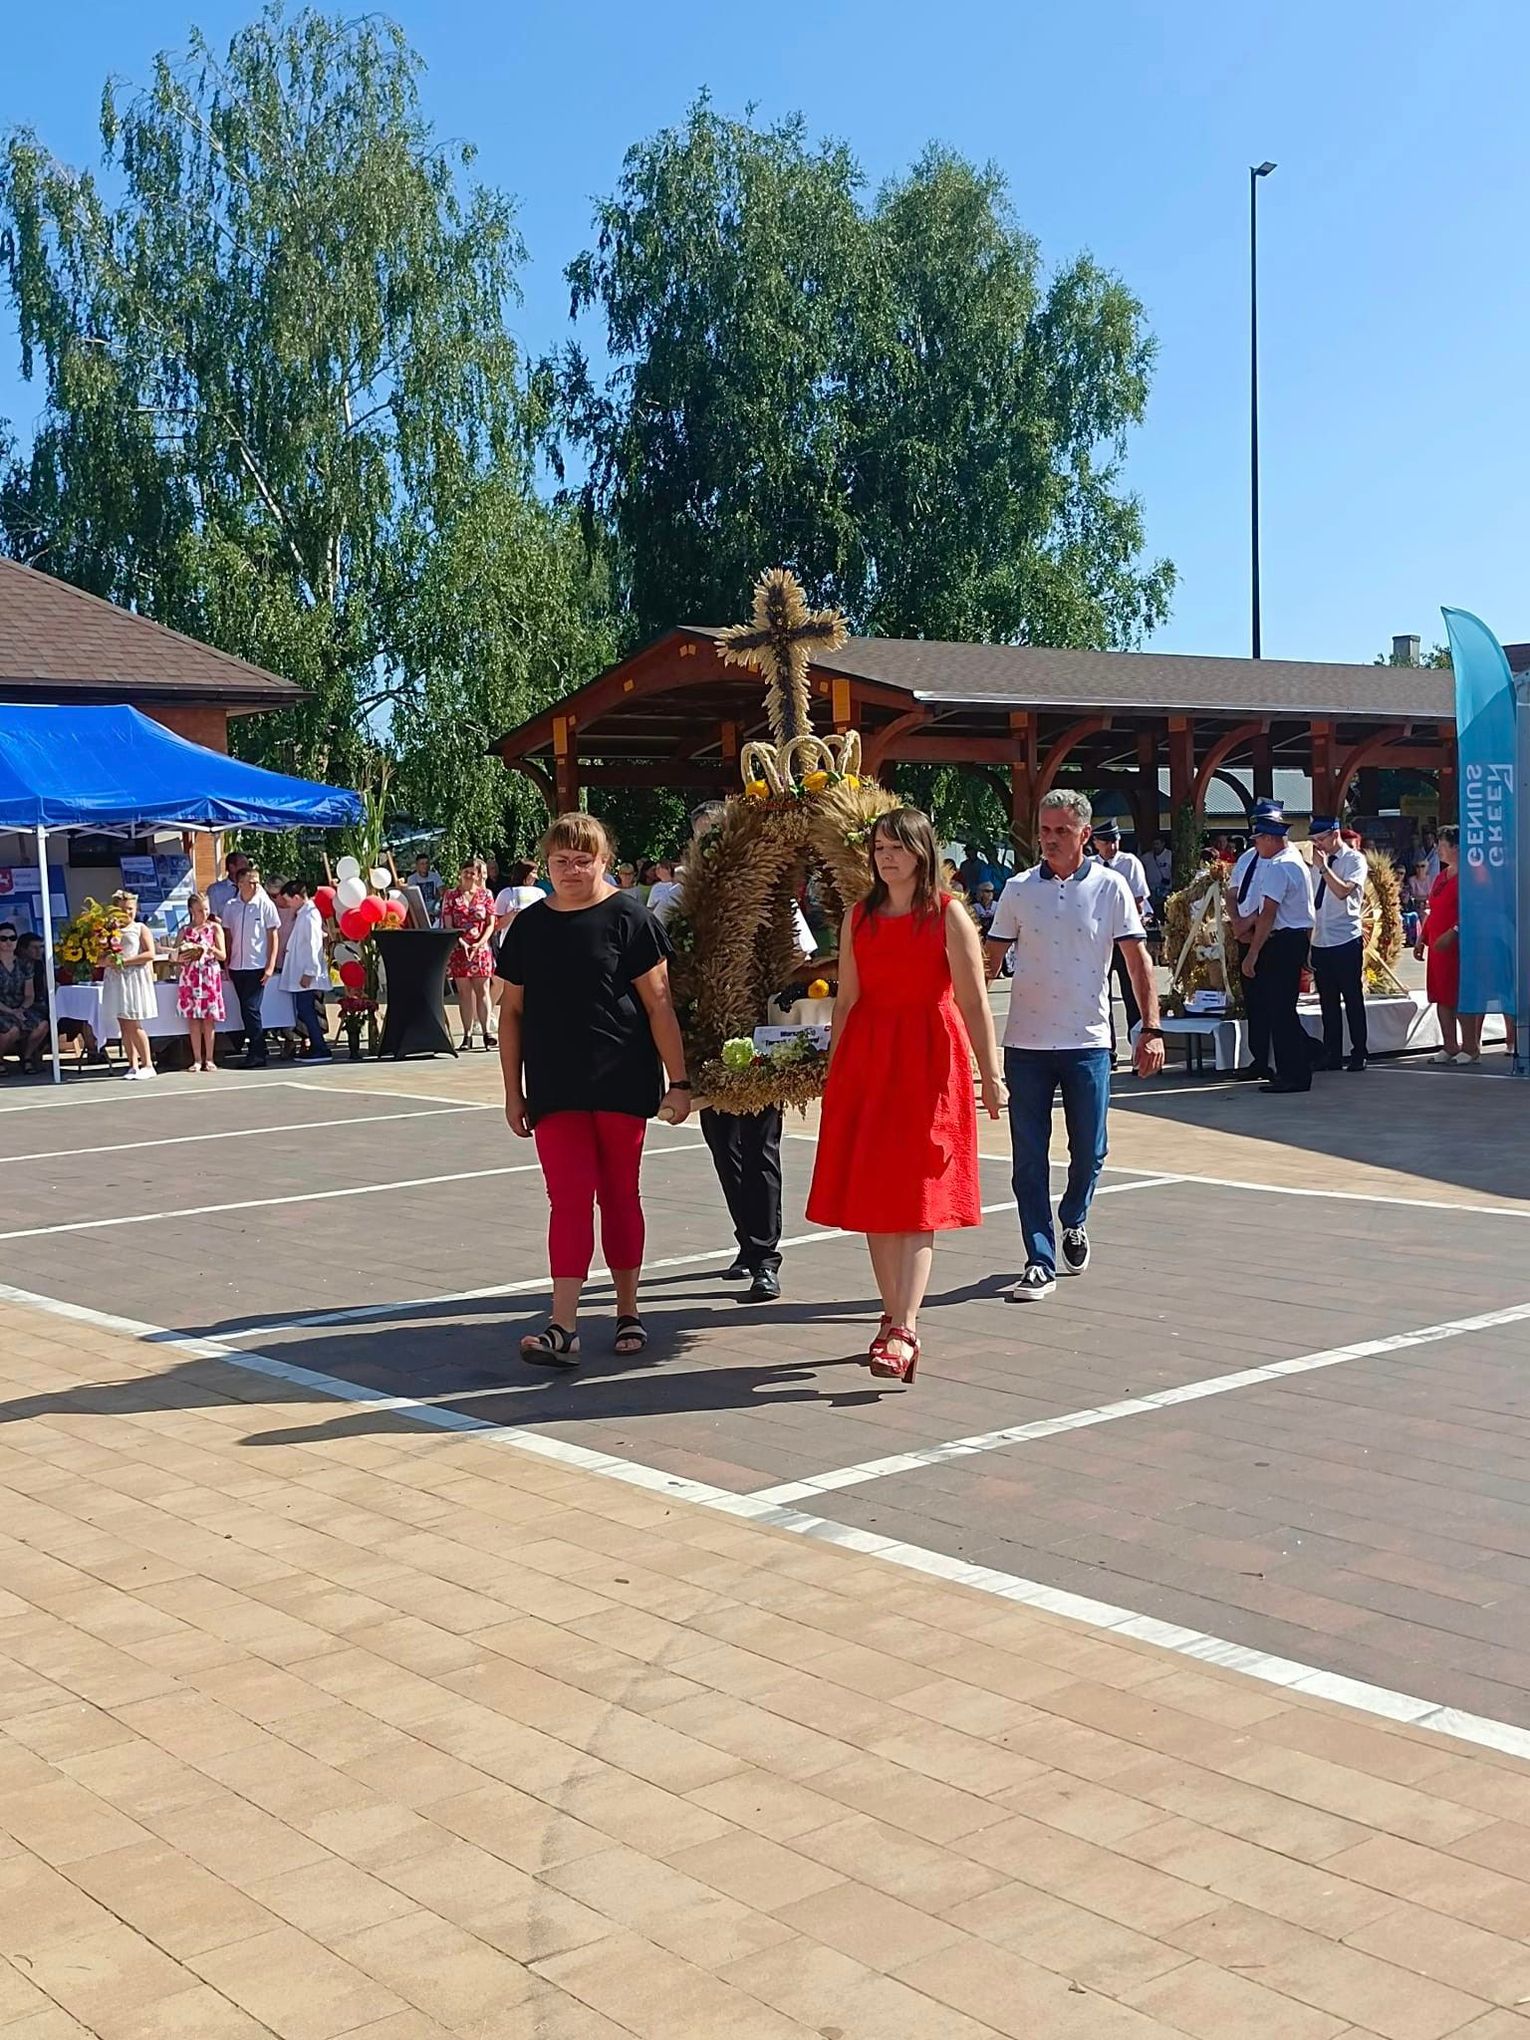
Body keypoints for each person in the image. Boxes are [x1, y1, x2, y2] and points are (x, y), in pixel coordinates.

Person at [808, 809, 1004, 1382]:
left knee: (920, 1192)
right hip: (869, 1060)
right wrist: (835, 1072)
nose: (886, 857)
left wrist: (991, 1074)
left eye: (897, 847)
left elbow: (973, 1001)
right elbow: (847, 1000)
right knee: (875, 1192)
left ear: (922, 852)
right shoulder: (858, 916)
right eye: (879, 847)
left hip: (929, 1060)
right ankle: (891, 1315)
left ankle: (906, 1326)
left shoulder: (948, 914)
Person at [497, 811, 690, 1365]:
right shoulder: (529, 926)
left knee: (620, 1194)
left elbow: (659, 1005)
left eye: (584, 860)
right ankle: (563, 1326)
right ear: (547, 863)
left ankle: (628, 1311)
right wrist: (513, 1092)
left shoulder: (630, 919)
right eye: (561, 860)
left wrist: (679, 1082)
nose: (572, 870)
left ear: (605, 862)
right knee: (569, 1199)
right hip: (554, 1085)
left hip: (622, 1079)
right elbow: (511, 1012)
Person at [984, 790, 1164, 1302]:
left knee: (1090, 1149)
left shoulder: (1111, 887)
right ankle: (1038, 1259)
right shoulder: (1018, 889)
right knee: (1028, 1158)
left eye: (1061, 831)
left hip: (1088, 1041)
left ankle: (1075, 1216)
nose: (1050, 839)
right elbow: (988, 962)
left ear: (1085, 834)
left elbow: (1137, 962)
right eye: (1044, 830)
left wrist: (1150, 1028)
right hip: (1026, 1044)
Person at [685, 802, 815, 1304]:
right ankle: (747, 1239)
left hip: (762, 1041)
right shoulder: (685, 901)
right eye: (703, 838)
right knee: (724, 1147)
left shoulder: (768, 897)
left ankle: (765, 1258)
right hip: (708, 1043)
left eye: (718, 835)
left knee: (760, 1146)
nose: (711, 847)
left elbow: (799, 958)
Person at [1237, 804, 1316, 1093]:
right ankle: (1295, 1068)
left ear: (1269, 838)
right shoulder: (1293, 860)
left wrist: (1253, 953)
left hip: (1282, 941)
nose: (1256, 846)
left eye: (1258, 839)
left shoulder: (1279, 867)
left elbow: (1268, 914)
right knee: (1281, 1009)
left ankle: (1293, 1073)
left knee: (1280, 1011)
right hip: (1293, 939)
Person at [1307, 815, 1368, 1071]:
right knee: (1327, 1001)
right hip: (1321, 939)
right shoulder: (1316, 864)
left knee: (1352, 997)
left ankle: (1359, 1052)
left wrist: (1324, 868)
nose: (1318, 845)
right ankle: (1332, 1054)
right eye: (1314, 840)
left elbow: (1343, 891)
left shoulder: (1354, 860)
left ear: (1335, 834)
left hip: (1345, 938)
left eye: (1321, 839)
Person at [1415, 826, 1478, 1064]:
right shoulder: (1442, 876)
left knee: (1460, 995)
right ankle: (1450, 1044)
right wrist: (1422, 937)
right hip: (1437, 946)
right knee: (1441, 995)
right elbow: (1433, 909)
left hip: (1460, 946)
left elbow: (1476, 909)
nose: (1438, 850)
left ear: (1457, 847)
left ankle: (1470, 1047)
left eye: (1443, 845)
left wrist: (1454, 932)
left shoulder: (1472, 875)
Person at [1090, 818, 1152, 1055]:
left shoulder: (1129, 863)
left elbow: (1138, 900)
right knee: (1101, 996)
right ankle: (1108, 1050)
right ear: (1095, 843)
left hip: (1125, 935)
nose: (1112, 846)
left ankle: (1138, 1049)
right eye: (1106, 842)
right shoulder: (1090, 866)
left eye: (1115, 840)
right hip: (1100, 939)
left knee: (1133, 995)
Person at [222, 863, 282, 1068]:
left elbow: (273, 936)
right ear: (240, 884)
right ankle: (256, 1048)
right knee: (244, 1010)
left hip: (257, 965)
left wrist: (270, 965)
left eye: (257, 882)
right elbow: (228, 936)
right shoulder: (231, 906)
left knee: (251, 1008)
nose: (255, 886)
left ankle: (257, 1052)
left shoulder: (265, 905)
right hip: (237, 966)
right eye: (251, 882)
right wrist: (226, 962)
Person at [100, 889, 159, 1080]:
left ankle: (148, 1064)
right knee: (123, 1023)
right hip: (116, 979)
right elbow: (99, 957)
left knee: (133, 1022)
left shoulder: (140, 928)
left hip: (133, 977)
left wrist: (124, 962)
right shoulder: (108, 931)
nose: (128, 913)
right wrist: (106, 960)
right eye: (123, 909)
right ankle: (132, 1065)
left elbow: (150, 954)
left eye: (131, 909)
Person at [442, 858, 498, 1050]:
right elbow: (448, 923)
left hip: (480, 950)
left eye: (472, 872)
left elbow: (490, 923)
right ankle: (467, 1035)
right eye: (465, 871)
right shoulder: (451, 896)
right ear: (460, 873)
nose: (468, 875)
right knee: (465, 993)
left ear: (478, 875)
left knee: (483, 991)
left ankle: (486, 1032)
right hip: (460, 950)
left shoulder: (486, 895)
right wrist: (462, 942)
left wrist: (480, 943)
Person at [277, 880, 331, 1060]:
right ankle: (317, 1045)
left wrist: (310, 971)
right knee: (304, 1010)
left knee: (306, 1010)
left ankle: (320, 1047)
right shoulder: (304, 913)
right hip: (301, 971)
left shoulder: (309, 915)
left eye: (288, 900)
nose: (288, 904)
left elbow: (313, 945)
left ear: (297, 898)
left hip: (306, 973)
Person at [175, 891, 227, 1072]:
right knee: (193, 1019)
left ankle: (210, 1058)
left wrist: (209, 949)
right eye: (199, 910)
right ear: (191, 910)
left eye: (206, 909)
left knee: (208, 1019)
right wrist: (183, 954)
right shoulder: (184, 930)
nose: (203, 914)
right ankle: (197, 1059)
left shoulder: (214, 928)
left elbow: (223, 955)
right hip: (190, 977)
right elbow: (175, 955)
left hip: (208, 976)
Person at [0, 922, 49, 1074]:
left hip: (20, 1006)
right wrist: (11, 1012)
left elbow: (29, 994)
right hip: (2, 1007)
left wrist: (21, 1009)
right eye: (3, 939)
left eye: (12, 938)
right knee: (12, 1030)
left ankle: (27, 1057)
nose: (8, 942)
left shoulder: (25, 964)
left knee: (42, 1025)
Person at [207, 851, 248, 922]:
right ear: (232, 867)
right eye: (243, 864)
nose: (247, 868)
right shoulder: (215, 890)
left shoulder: (251, 888)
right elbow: (211, 916)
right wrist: (226, 926)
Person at [411, 852, 444, 926]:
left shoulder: (435, 876)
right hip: (419, 911)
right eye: (422, 864)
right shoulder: (412, 879)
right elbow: (412, 898)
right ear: (417, 866)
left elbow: (442, 892)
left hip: (433, 910)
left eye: (427, 863)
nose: (425, 866)